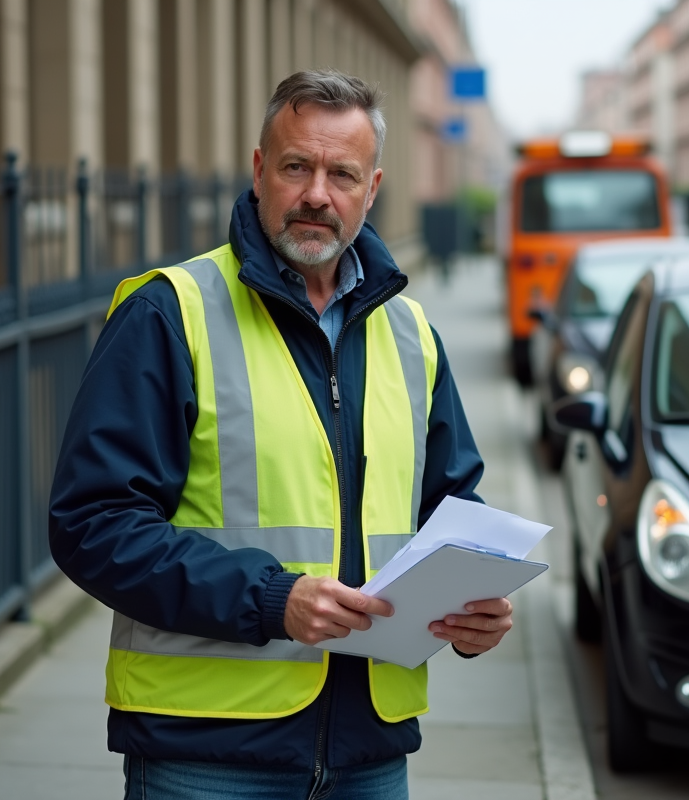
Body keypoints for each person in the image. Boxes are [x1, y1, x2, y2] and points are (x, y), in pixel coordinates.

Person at [49, 69, 513, 800]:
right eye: (297, 166)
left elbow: (451, 506)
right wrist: (271, 598)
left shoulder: (411, 334)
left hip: (369, 753)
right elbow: (92, 526)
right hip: (204, 754)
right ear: (261, 170)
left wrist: (475, 605)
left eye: (342, 174)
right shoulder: (172, 314)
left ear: (374, 187)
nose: (317, 195)